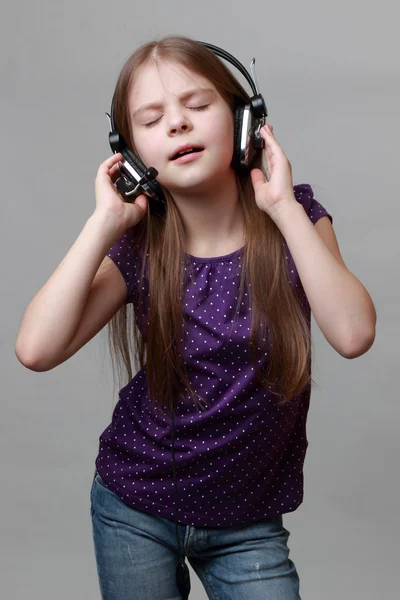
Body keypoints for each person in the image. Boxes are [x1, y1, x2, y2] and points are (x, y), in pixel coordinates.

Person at [15, 35, 376, 600]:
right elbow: (35, 349)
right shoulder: (140, 248)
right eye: (153, 120)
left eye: (198, 106)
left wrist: (281, 206)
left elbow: (354, 334)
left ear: (245, 119)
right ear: (131, 154)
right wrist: (103, 224)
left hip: (247, 523)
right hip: (135, 504)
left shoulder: (295, 218)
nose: (178, 125)